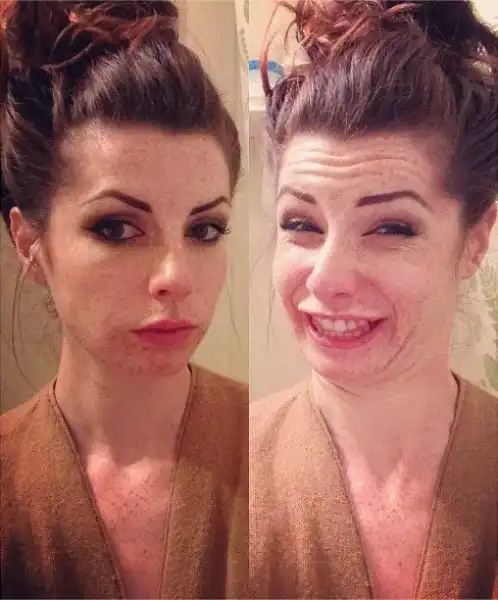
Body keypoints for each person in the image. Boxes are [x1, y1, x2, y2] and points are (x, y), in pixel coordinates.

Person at [249, 1, 498, 598]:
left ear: (475, 239)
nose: (327, 278)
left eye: (391, 227)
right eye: (301, 224)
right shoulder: (214, 480)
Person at [0, 1, 247, 598]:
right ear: (30, 242)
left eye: (204, 229)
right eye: (116, 227)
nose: (175, 277)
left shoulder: (286, 455)